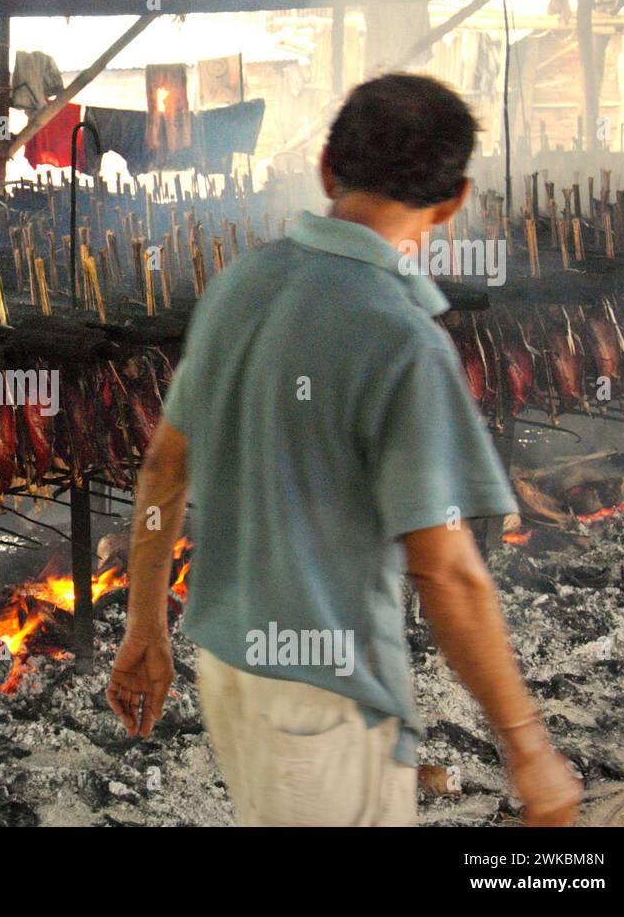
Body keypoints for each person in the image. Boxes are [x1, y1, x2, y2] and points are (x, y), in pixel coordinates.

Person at [107, 73, 582, 827]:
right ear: (454, 200)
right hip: (318, 705)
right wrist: (526, 743)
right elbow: (449, 572)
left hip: (230, 671)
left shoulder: (241, 287)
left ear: (326, 170)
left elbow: (163, 469)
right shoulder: (403, 340)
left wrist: (145, 625)